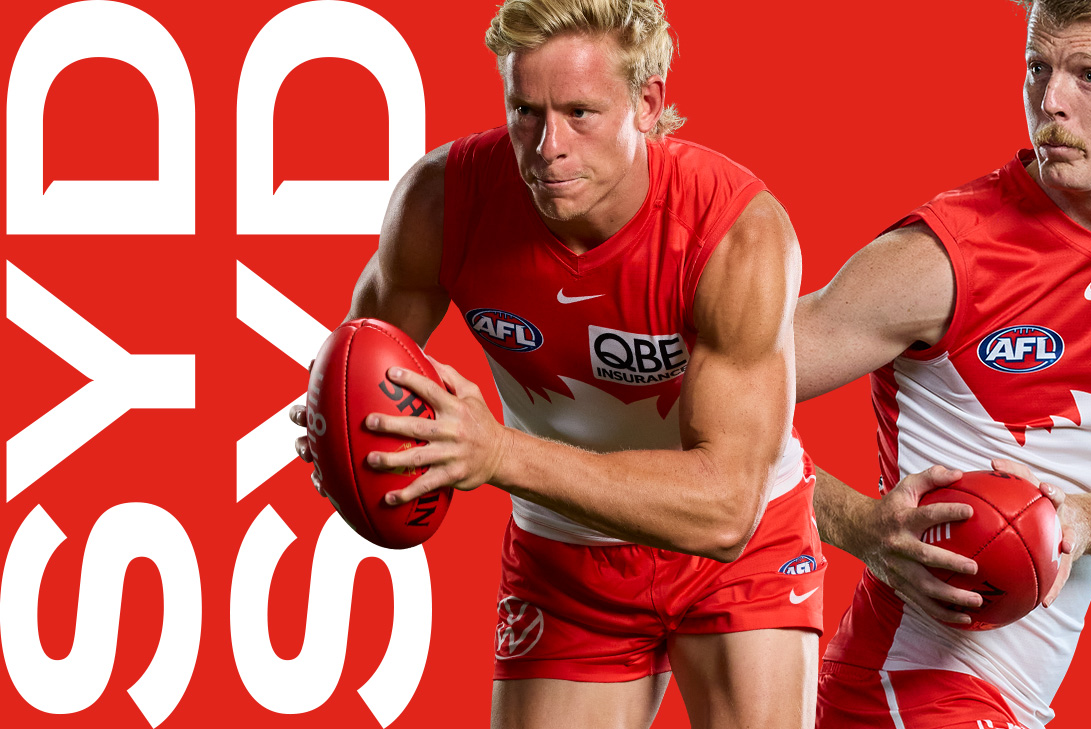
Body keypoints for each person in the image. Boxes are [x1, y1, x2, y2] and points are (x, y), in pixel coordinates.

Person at [292, 1, 823, 727]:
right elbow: (359, 355)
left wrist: (499, 451)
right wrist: (336, 431)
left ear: (647, 103)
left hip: (738, 552)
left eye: (580, 113)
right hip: (566, 555)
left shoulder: (735, 234)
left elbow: (726, 505)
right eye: (525, 112)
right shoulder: (445, 203)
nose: (548, 146)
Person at [796, 1, 1091, 727]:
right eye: (1038, 69)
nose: (1051, 101)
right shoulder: (944, 257)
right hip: (903, 688)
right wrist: (857, 523)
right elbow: (702, 392)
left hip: (1017, 700)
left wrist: (1081, 522)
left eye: (1089, 75)